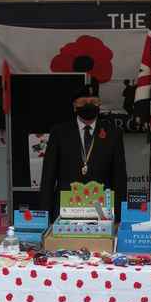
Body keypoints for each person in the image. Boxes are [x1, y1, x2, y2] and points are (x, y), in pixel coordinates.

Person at [39, 83, 127, 220]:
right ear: (75, 106)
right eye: (83, 102)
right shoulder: (59, 132)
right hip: (66, 210)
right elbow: (48, 176)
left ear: (99, 105)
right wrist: (44, 215)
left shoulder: (113, 133)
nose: (89, 105)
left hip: (102, 211)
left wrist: (120, 217)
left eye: (93, 102)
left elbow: (119, 178)